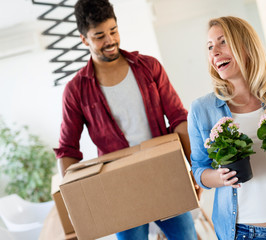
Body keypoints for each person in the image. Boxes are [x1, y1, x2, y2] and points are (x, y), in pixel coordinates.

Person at [54, 0, 198, 239]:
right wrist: (74, 204)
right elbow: (67, 149)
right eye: (99, 36)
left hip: (165, 177)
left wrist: (193, 170)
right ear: (84, 40)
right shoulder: (76, 90)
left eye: (113, 31)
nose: (109, 41)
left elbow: (177, 118)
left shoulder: (149, 68)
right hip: (118, 190)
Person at [187, 16, 266, 240]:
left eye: (222, 42)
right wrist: (220, 177)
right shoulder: (202, 109)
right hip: (244, 233)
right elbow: (199, 171)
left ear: (246, 46)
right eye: (210, 47)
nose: (214, 52)